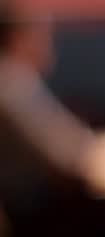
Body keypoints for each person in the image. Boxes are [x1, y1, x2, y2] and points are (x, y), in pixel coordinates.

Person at [0, 0, 92, 212]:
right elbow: (69, 157)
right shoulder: (12, 83)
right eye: (43, 34)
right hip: (20, 210)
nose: (50, 44)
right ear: (19, 38)